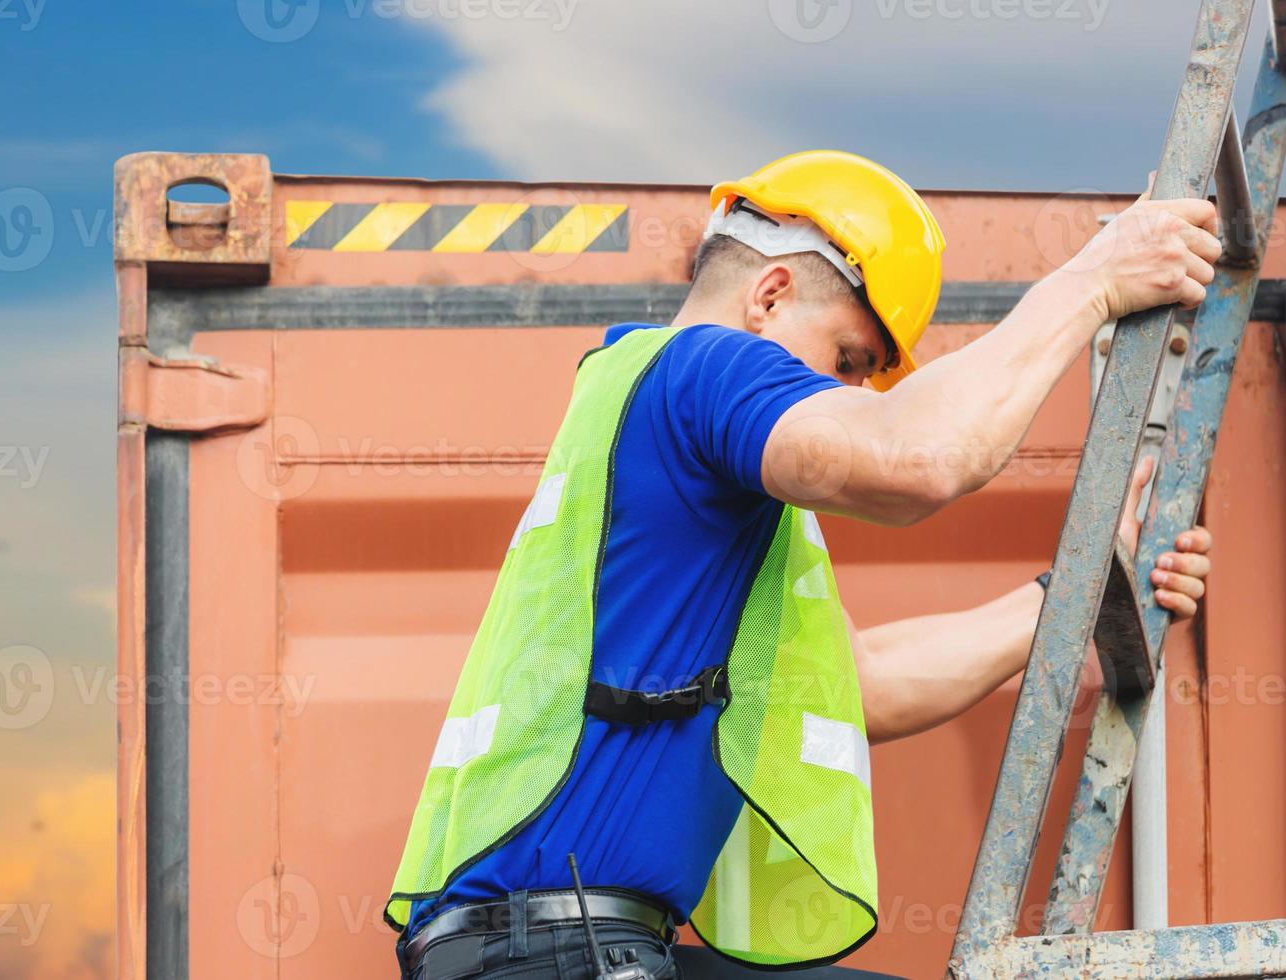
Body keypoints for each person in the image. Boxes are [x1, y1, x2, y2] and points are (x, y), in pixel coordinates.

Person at [384, 151, 1217, 979]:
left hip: (553, 945)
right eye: (849, 361)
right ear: (770, 295)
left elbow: (860, 684)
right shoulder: (700, 369)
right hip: (558, 947)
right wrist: (1093, 282)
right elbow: (920, 457)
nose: (844, 390)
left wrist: (1076, 591)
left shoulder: (665, 441)